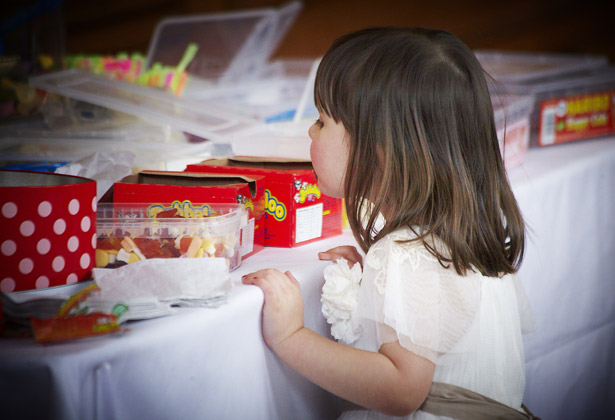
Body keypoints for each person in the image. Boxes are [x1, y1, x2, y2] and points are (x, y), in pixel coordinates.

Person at [242, 26, 534, 419]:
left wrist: (291, 337)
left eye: (323, 121)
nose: (311, 130)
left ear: (379, 152)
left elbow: (401, 388)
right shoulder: (465, 232)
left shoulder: (406, 254)